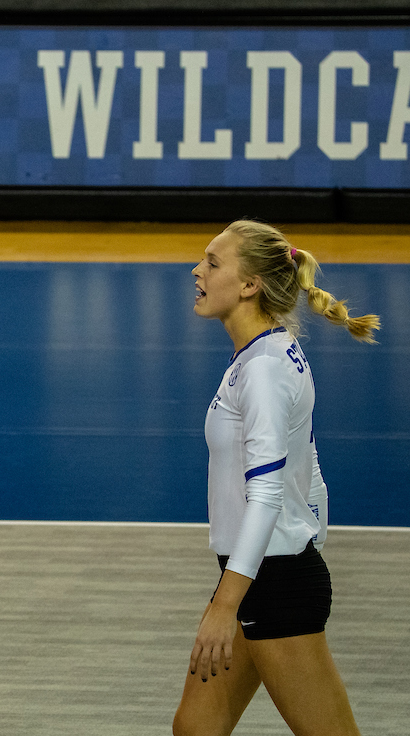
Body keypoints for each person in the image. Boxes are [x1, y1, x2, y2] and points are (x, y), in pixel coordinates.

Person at [173, 220, 379, 736]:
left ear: (250, 285)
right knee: (195, 729)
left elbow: (266, 491)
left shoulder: (263, 370)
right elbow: (308, 466)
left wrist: (227, 604)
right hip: (261, 575)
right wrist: (308, 536)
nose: (198, 270)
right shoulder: (267, 352)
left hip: (272, 581)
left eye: (213, 262)